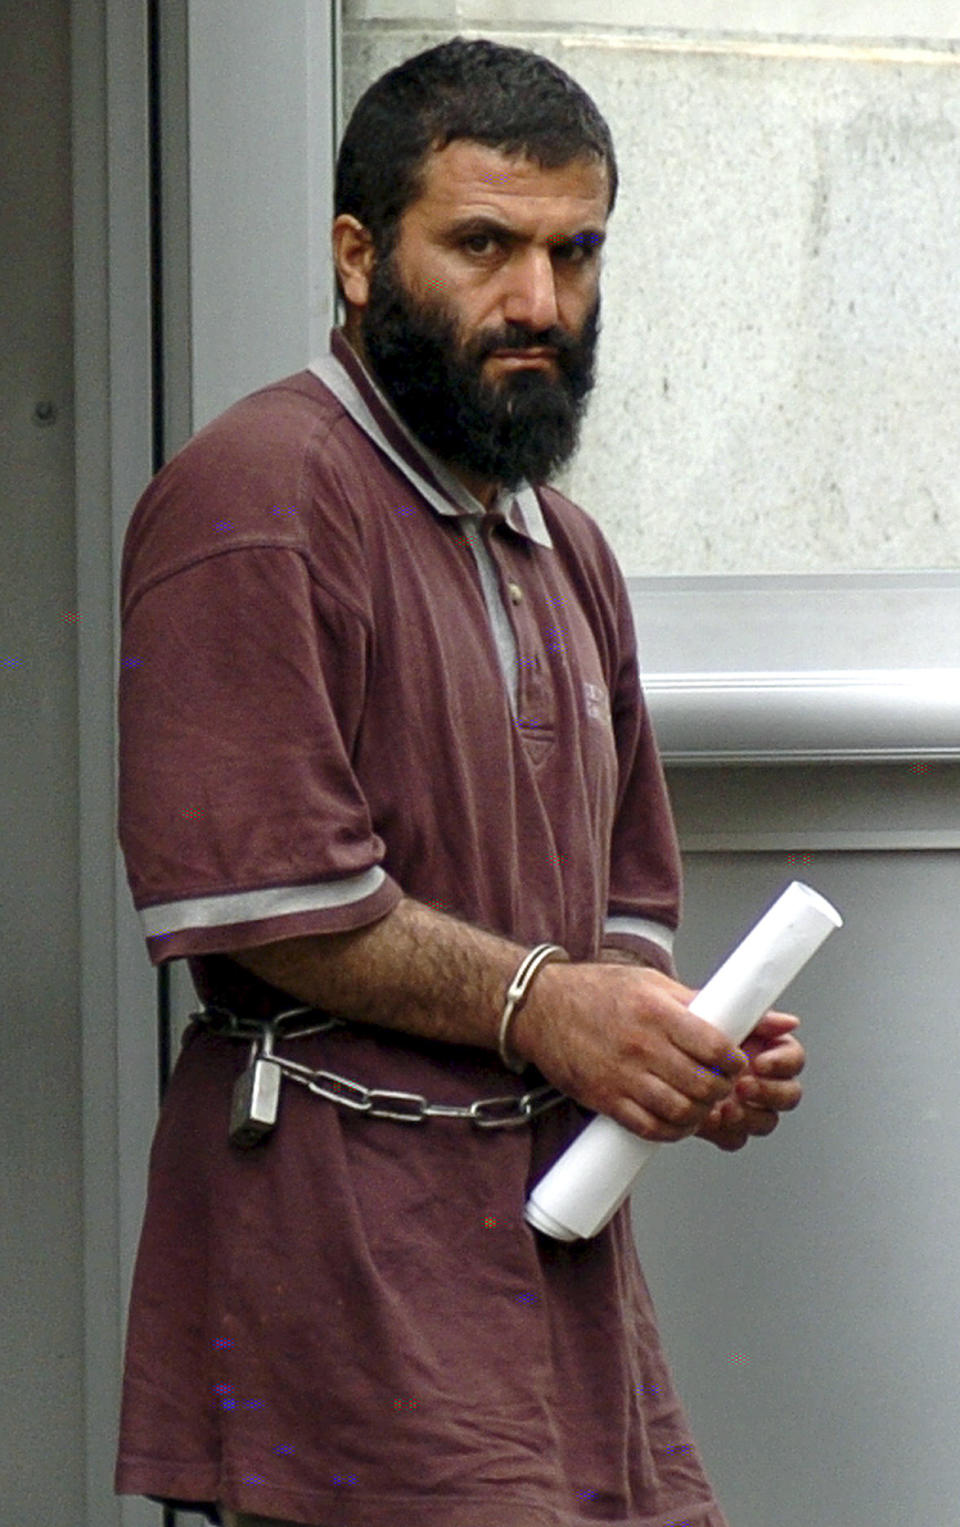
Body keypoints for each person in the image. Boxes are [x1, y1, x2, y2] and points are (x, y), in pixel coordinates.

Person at [116, 36, 805, 1527]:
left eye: (574, 251)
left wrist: (669, 1049)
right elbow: (261, 901)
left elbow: (622, 899)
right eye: (483, 245)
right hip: (342, 1273)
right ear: (359, 257)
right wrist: (553, 1006)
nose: (539, 304)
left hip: (562, 1272)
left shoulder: (569, 547)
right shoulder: (257, 499)